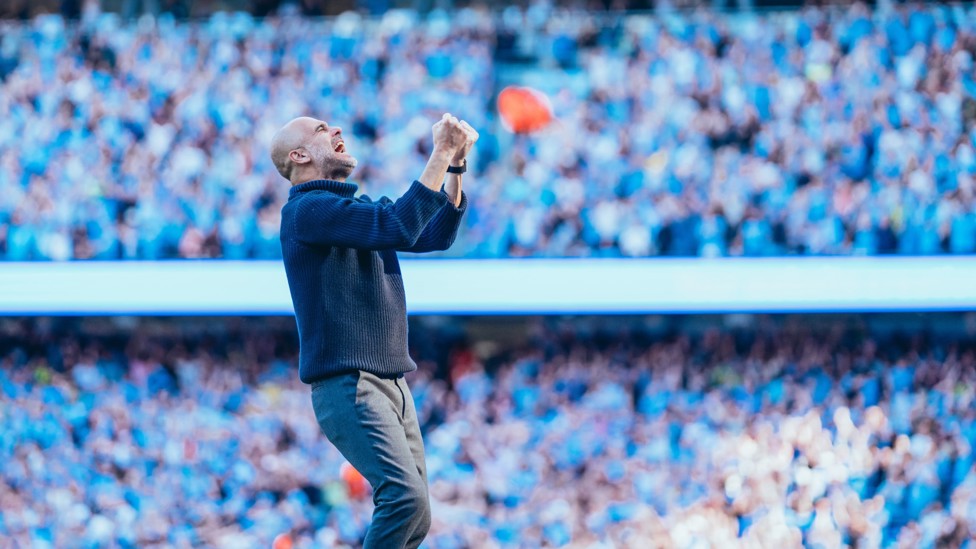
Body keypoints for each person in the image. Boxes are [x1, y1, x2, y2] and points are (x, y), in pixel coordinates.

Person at [271, 113, 478, 548]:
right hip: (350, 384)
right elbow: (399, 225)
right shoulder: (306, 211)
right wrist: (440, 152)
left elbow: (434, 233)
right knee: (403, 499)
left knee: (415, 514)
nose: (338, 131)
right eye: (323, 130)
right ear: (300, 155)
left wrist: (456, 166)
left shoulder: (350, 211)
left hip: (389, 383)